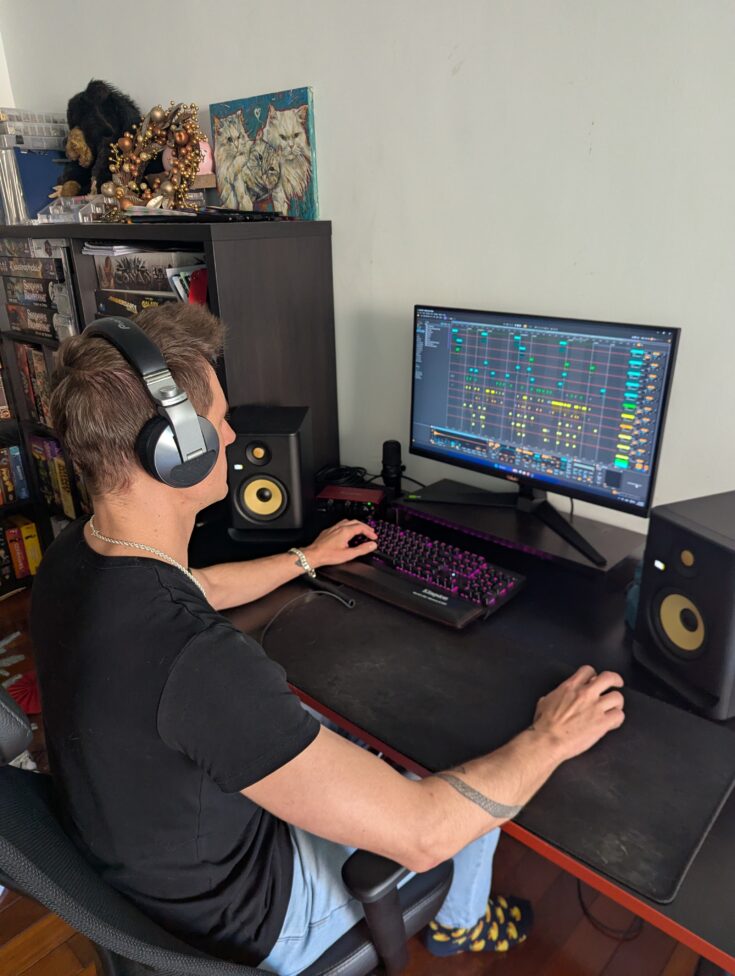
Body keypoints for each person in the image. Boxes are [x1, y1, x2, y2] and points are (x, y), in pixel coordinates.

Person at [31, 304, 625, 974]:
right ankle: (461, 925)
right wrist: (552, 736)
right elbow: (424, 832)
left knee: (333, 725)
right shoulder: (197, 662)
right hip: (258, 918)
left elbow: (199, 586)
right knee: (465, 773)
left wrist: (306, 558)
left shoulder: (76, 558)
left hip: (157, 873)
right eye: (219, 422)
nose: (232, 435)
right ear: (177, 452)